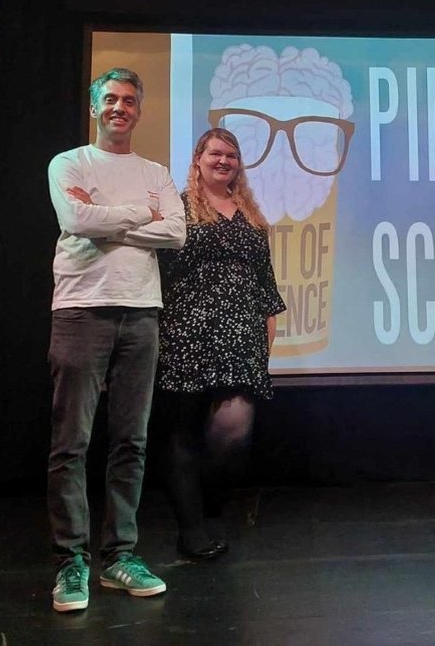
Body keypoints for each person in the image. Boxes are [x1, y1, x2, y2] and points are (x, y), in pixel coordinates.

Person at [46, 68, 186, 612]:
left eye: (129, 100)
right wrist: (138, 215)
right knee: (71, 444)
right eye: (110, 99)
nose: (119, 107)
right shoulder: (70, 163)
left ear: (139, 110)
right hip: (82, 311)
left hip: (142, 314)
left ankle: (120, 555)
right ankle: (71, 563)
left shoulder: (155, 171)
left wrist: (107, 221)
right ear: (94, 105)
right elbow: (74, 217)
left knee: (131, 441)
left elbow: (175, 232)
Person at [155, 127, 286, 559]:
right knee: (184, 434)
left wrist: (265, 344)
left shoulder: (251, 216)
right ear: (198, 159)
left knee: (233, 431)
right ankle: (191, 528)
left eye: (232, 155)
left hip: (241, 339)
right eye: (215, 154)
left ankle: (211, 510)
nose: (224, 161)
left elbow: (266, 288)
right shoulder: (178, 211)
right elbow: (156, 275)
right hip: (185, 334)